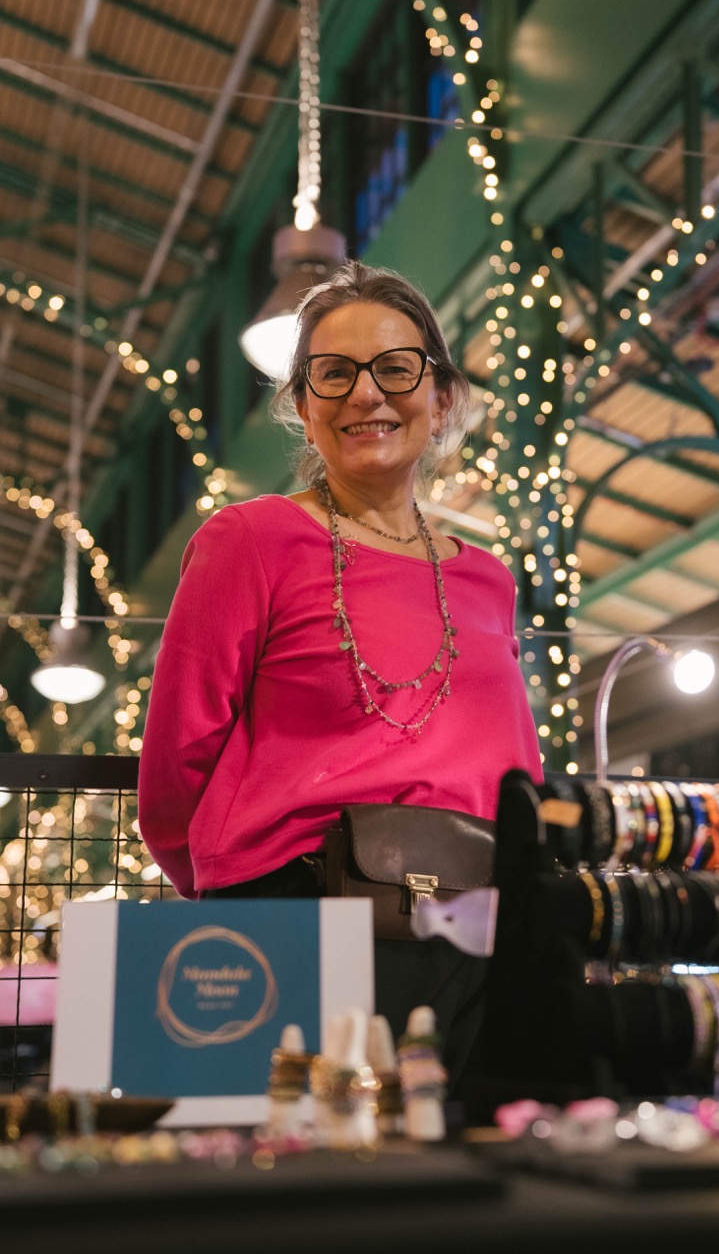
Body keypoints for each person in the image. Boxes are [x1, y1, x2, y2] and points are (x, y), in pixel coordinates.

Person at [138, 260, 542, 1086]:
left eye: (395, 368)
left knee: (478, 1162)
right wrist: (241, 901)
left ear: (442, 399)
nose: (366, 394)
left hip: (478, 937)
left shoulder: (488, 579)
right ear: (302, 405)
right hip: (298, 923)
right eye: (333, 373)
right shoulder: (249, 541)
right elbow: (177, 760)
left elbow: (514, 776)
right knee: (299, 1164)